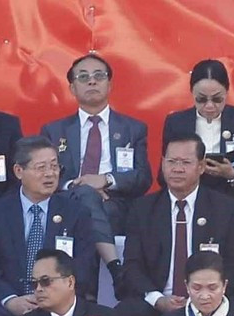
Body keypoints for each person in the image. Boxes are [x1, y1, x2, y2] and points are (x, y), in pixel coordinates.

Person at [112, 135, 234, 316]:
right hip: (159, 302)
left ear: (200, 167)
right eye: (171, 162)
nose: (177, 169)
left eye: (185, 163)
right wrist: (158, 299)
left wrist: (203, 296)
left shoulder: (226, 209)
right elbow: (132, 267)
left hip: (209, 299)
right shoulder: (143, 209)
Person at [38, 52, 151, 275]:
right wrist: (78, 186)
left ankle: (85, 288)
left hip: (115, 202)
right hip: (67, 200)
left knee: (91, 210)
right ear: (72, 88)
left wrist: (106, 180)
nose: (91, 81)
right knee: (86, 199)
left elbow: (143, 178)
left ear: (109, 85)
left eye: (99, 76)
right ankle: (114, 268)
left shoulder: (133, 128)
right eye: (83, 77)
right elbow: (44, 176)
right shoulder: (54, 130)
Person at [0, 136, 99, 309]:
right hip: (9, 305)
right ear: (19, 171)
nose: (50, 173)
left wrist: (53, 298)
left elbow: (85, 266)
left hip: (59, 305)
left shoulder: (76, 213)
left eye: (54, 166)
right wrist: (10, 300)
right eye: (41, 167)